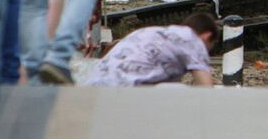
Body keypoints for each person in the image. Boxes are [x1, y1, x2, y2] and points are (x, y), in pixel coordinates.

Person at [85, 13, 217, 87]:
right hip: (125, 90)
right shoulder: (192, 39)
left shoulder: (152, 32)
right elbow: (206, 87)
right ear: (207, 36)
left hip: (94, 86)